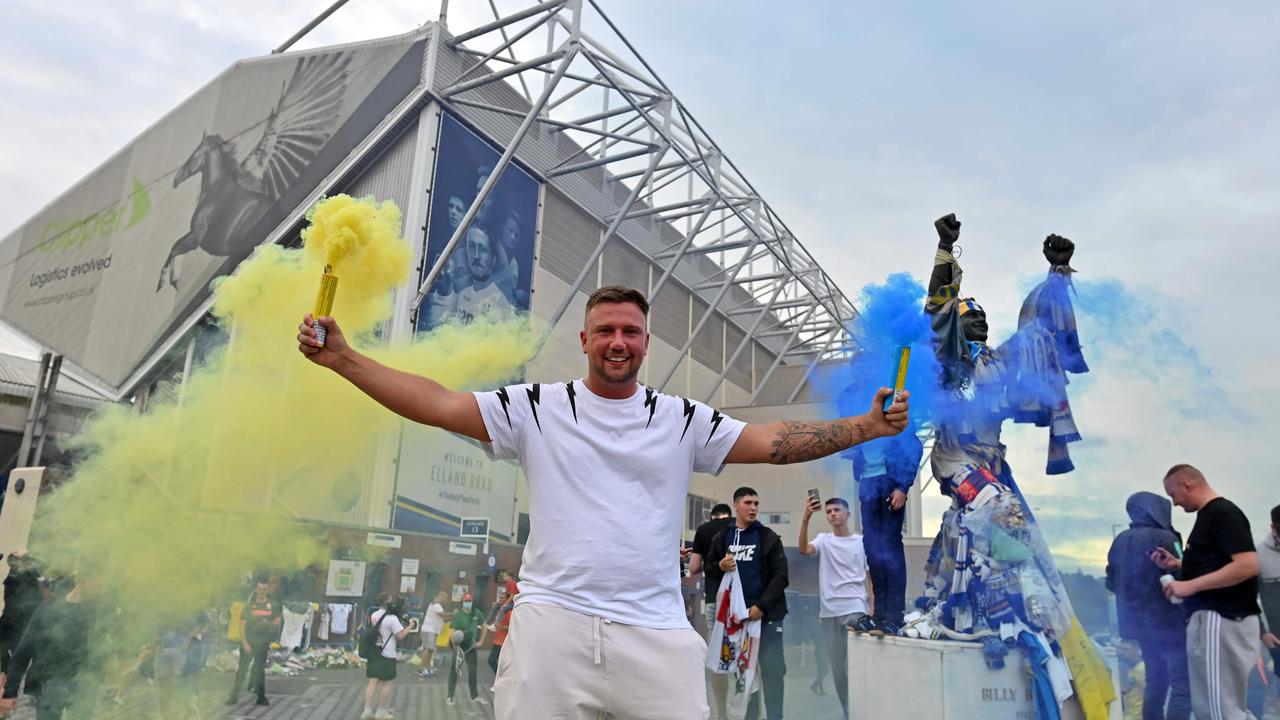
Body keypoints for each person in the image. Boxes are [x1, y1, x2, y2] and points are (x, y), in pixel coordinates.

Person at [296, 284, 911, 720]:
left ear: (647, 343)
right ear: (585, 337)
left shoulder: (681, 419)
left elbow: (772, 443)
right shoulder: (535, 407)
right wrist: (344, 359)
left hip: (656, 632)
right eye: (607, 331)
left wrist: (867, 426)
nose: (618, 342)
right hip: (551, 627)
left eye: (631, 333)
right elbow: (436, 402)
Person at [1153, 464, 1261, 720]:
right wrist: (1180, 565)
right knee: (1221, 707)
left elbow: (1248, 564)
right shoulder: (1211, 516)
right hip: (1219, 620)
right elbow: (1222, 562)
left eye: (1173, 494)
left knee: (1219, 711)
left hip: (1218, 619)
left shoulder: (1221, 513)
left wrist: (1188, 585)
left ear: (1187, 485)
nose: (1175, 503)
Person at [706, 487, 789, 720]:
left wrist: (761, 607)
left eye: (756, 503)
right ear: (735, 505)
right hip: (739, 620)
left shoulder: (767, 536)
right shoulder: (723, 537)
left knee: (773, 672)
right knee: (745, 674)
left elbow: (781, 576)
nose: (753, 508)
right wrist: (720, 566)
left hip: (767, 617)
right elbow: (709, 569)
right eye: (748, 503)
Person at [1106, 492, 1190, 720]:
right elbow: (1184, 572)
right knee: (1183, 685)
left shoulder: (1120, 540)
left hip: (1138, 625)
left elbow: (1110, 581)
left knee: (1155, 681)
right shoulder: (1166, 537)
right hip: (1170, 623)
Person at [799, 495, 876, 718]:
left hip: (855, 608)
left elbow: (870, 577)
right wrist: (806, 518)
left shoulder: (861, 542)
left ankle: (863, 708)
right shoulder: (823, 540)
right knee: (838, 671)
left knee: (855, 665)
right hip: (829, 611)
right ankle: (848, 710)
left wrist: (872, 605)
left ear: (847, 514)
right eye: (829, 511)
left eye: (836, 510)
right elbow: (803, 549)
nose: (832, 514)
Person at [0, 574, 100, 720]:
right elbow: (22, 653)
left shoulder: (100, 611)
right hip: (51, 684)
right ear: (83, 579)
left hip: (85, 684)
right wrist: (9, 692)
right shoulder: (48, 610)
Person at [851, 431, 922, 632]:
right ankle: (879, 614)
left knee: (890, 548)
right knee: (873, 551)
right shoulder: (858, 412)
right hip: (867, 484)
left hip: (890, 482)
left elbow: (914, 446)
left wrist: (903, 487)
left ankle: (894, 615)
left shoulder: (893, 410)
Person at [226, 576, 280, 706]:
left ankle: (261, 697)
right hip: (248, 642)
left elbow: (277, 623)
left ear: (267, 590)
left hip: (263, 643)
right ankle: (233, 696)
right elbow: (242, 625)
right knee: (242, 670)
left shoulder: (273, 605)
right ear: (256, 589)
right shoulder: (249, 606)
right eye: (259, 589)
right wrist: (244, 643)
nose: (261, 591)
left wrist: (267, 624)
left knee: (259, 670)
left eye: (264, 589)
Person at [362, 594, 417, 720]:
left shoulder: (374, 615)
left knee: (372, 682)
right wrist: (410, 627)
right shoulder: (391, 618)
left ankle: (367, 710)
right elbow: (400, 635)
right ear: (387, 603)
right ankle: (381, 711)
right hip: (387, 653)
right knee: (387, 683)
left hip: (374, 653)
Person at [689, 503, 734, 638]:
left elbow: (693, 568)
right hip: (737, 595)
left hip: (713, 594)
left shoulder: (703, 529)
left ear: (711, 517)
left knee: (714, 636)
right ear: (729, 515)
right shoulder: (738, 526)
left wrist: (708, 561)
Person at [0, 550, 42, 690]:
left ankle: (9, 685)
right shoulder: (15, 574)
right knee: (6, 652)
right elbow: (11, 558)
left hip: (21, 622)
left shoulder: (31, 577)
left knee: (17, 655)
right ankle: (5, 676)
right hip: (9, 619)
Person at [446, 593, 485, 707]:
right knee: (454, 671)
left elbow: (484, 626)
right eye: (466, 601)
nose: (468, 603)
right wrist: (454, 645)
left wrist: (481, 641)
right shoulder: (458, 615)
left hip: (471, 648)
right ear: (462, 602)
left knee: (473, 672)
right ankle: (450, 696)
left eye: (469, 601)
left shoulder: (476, 613)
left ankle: (474, 696)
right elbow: (452, 631)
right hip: (459, 648)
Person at [1259, 504, 1279, 682]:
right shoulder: (1259, 555)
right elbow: (1247, 597)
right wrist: (1262, 632)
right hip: (1277, 638)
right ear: (1273, 528)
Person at [417, 591, 448, 678]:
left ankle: (428, 667)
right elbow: (443, 615)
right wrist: (454, 614)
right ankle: (421, 668)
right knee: (427, 648)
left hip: (433, 630)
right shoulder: (436, 604)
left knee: (430, 649)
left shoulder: (436, 604)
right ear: (441, 596)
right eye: (445, 597)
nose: (445, 599)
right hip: (429, 629)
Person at [1117, 640, 1147, 720]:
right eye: (1120, 649)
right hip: (1131, 715)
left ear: (1137, 650)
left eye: (1126, 650)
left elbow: (1148, 692)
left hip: (1137, 716)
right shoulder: (1132, 667)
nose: (1121, 652)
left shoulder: (1141, 669)